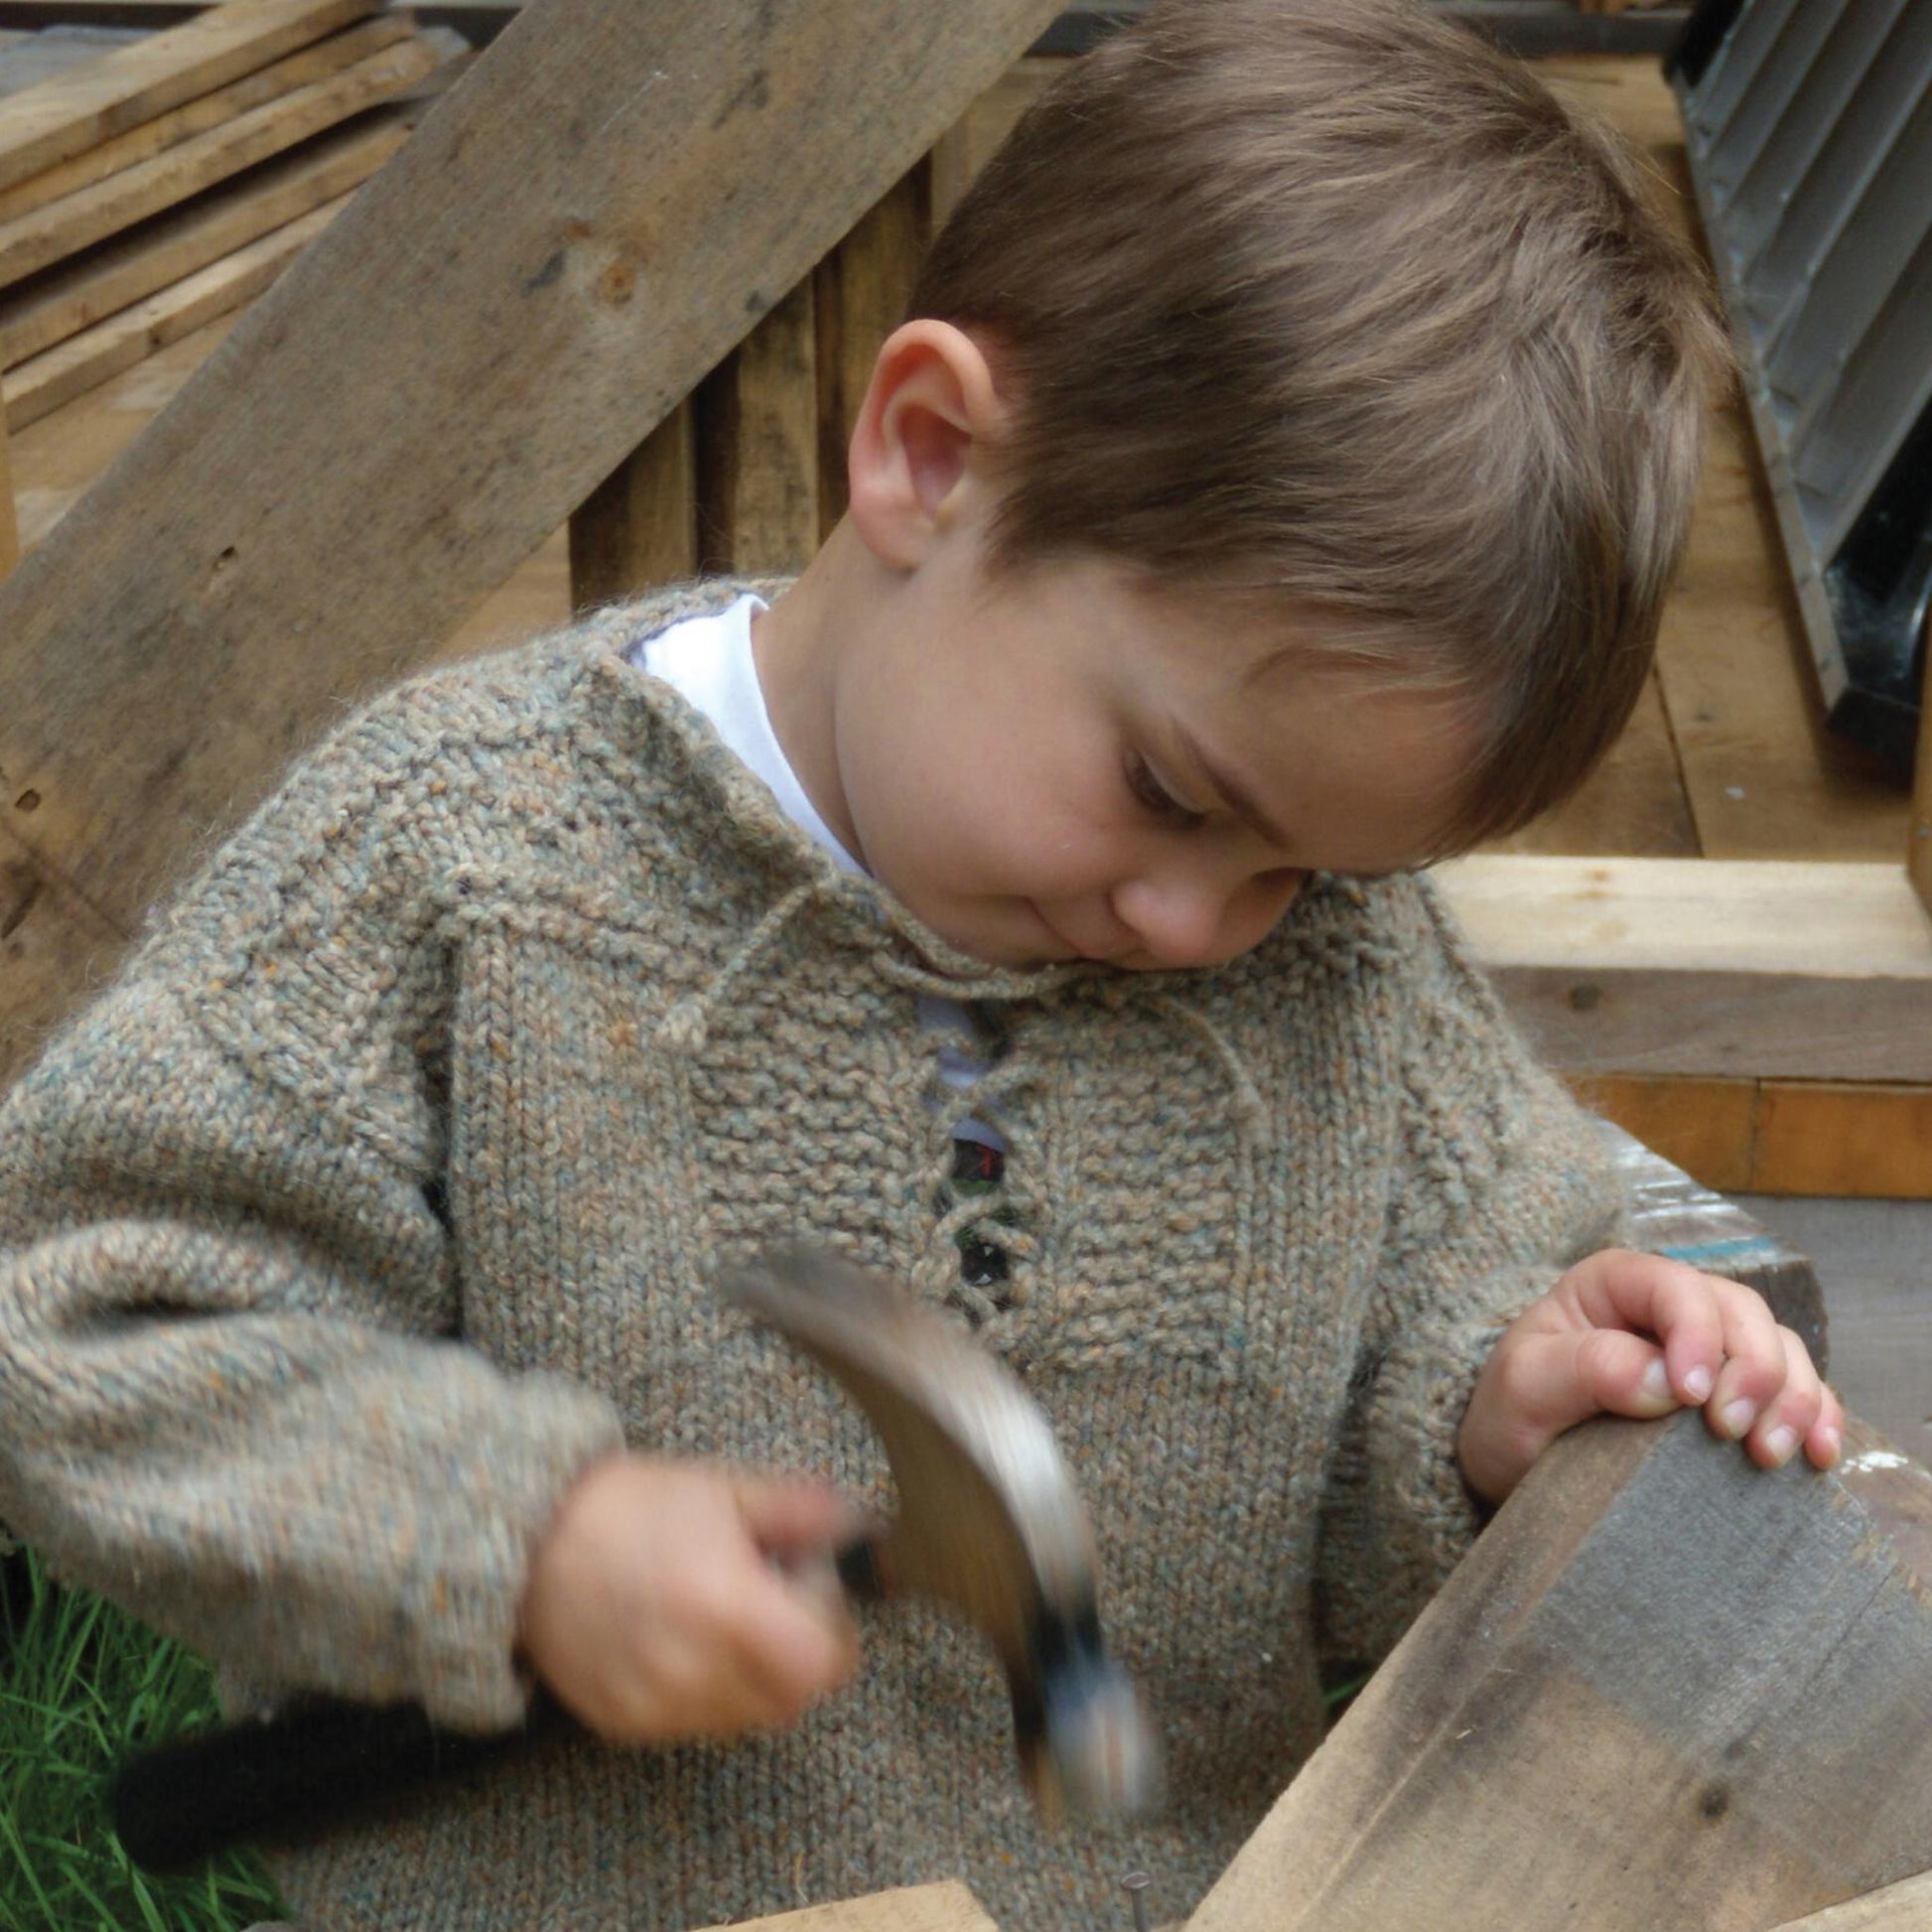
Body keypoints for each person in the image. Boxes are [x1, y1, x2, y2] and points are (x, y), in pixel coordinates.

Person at [0, 3, 1839, 1929]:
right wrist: (514, 1535)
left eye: (1300, 865)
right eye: (1164, 791)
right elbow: (92, 1318)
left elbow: (1439, 1321)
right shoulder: (460, 862)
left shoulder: (1337, 968)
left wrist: (1487, 1405)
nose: (1198, 924)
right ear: (929, 453)